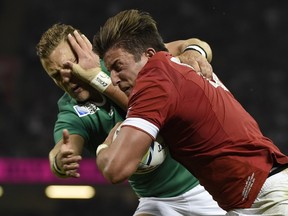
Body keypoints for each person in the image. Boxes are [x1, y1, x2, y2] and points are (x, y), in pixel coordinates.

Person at [86, 9, 288, 215]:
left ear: (148, 55)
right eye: (109, 70)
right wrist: (195, 48)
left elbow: (115, 169)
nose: (114, 78)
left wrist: (105, 146)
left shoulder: (153, 83)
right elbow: (189, 45)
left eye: (118, 66)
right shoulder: (174, 63)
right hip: (257, 194)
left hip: (266, 200)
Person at [36, 23, 226, 215]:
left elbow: (194, 45)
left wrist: (193, 52)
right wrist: (60, 162)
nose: (66, 78)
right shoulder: (72, 111)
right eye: (56, 75)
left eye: (69, 67)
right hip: (156, 200)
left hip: (204, 183)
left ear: (85, 51)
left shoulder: (120, 62)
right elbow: (63, 148)